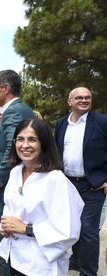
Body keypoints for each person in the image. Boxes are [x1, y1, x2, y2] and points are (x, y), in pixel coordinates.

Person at [0, 118, 84, 275]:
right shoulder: (16, 172)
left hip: (41, 266)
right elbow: (9, 206)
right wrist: (4, 225)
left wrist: (25, 229)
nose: (24, 145)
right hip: (15, 259)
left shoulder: (55, 180)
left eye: (32, 139)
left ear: (44, 143)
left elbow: (68, 231)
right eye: (20, 139)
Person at [54, 87, 107, 276]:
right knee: (72, 226)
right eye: (79, 98)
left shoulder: (102, 122)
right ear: (70, 102)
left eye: (87, 97)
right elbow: (56, 152)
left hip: (93, 185)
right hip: (67, 184)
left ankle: (89, 272)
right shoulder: (61, 124)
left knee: (88, 231)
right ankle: (76, 260)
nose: (84, 100)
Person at [0, 69, 35, 276]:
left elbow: (11, 149)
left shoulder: (15, 111)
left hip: (8, 187)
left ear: (5, 89)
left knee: (3, 245)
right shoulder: (18, 110)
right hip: (14, 184)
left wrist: (0, 180)